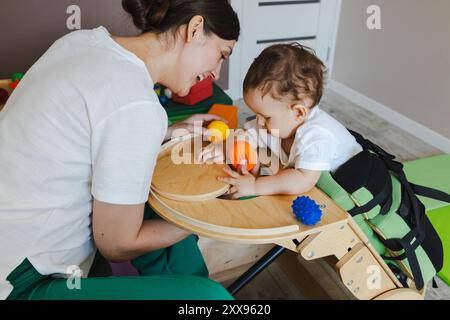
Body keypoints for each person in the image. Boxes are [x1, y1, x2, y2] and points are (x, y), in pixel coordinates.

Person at [0, 0, 239, 300]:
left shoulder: (80, 41)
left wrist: (164, 133)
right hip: (19, 280)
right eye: (221, 54)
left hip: (11, 239)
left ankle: (176, 281)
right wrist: (209, 215)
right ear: (194, 29)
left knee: (156, 198)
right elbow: (117, 244)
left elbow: (91, 126)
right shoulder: (136, 104)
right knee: (210, 299)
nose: (217, 72)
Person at [205, 43, 362, 199]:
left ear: (298, 113)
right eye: (256, 114)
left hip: (350, 187)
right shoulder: (279, 122)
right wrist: (224, 148)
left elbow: (302, 180)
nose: (258, 122)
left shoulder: (316, 138)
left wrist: (255, 186)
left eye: (266, 117)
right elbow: (247, 135)